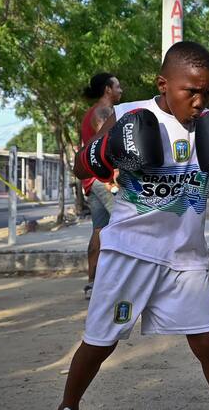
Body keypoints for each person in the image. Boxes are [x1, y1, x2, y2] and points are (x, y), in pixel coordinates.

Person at [58, 41, 209, 410]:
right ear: (163, 84)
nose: (200, 101)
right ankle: (68, 405)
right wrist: (108, 149)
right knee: (101, 341)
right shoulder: (127, 113)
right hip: (131, 249)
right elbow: (79, 165)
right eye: (191, 91)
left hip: (184, 254)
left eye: (207, 91)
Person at [80, 73, 122, 300]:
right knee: (125, 223)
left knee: (99, 229)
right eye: (117, 86)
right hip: (102, 179)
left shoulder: (92, 113)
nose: (120, 90)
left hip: (92, 179)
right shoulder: (103, 114)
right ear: (108, 89)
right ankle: (119, 281)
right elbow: (106, 148)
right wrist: (112, 179)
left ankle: (92, 284)